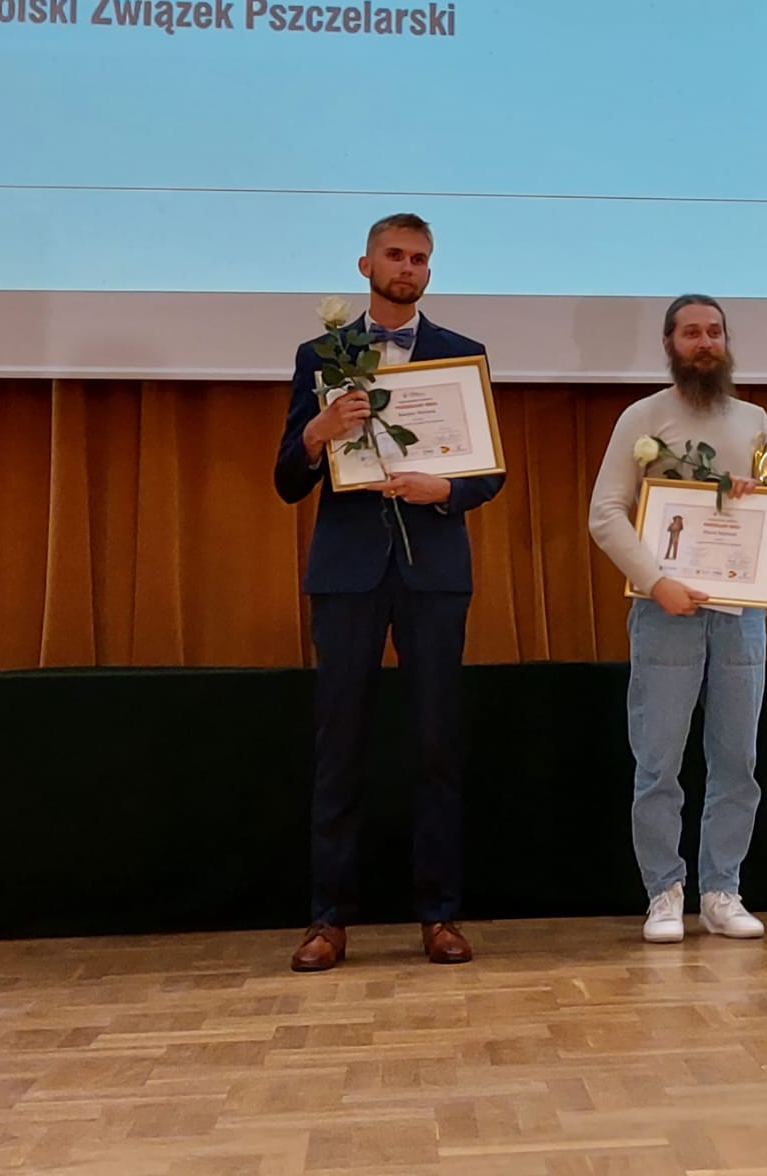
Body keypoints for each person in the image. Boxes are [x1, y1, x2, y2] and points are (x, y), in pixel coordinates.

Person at [274, 214, 504, 972]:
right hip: (347, 573)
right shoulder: (320, 356)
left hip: (433, 572)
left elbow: (489, 472)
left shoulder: (461, 354)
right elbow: (288, 480)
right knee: (339, 747)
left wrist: (448, 490)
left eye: (420, 259)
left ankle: (439, 915)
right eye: (396, 255)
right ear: (366, 264)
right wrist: (317, 433)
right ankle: (328, 919)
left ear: (429, 272)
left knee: (437, 744)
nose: (408, 267)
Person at [588, 295, 767, 943]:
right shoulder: (642, 418)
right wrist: (656, 582)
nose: (705, 342)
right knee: (658, 762)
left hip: (740, 615)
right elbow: (605, 512)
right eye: (691, 333)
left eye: (715, 332)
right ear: (669, 344)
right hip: (664, 611)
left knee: (737, 760)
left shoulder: (755, 421)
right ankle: (663, 892)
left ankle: (721, 890)